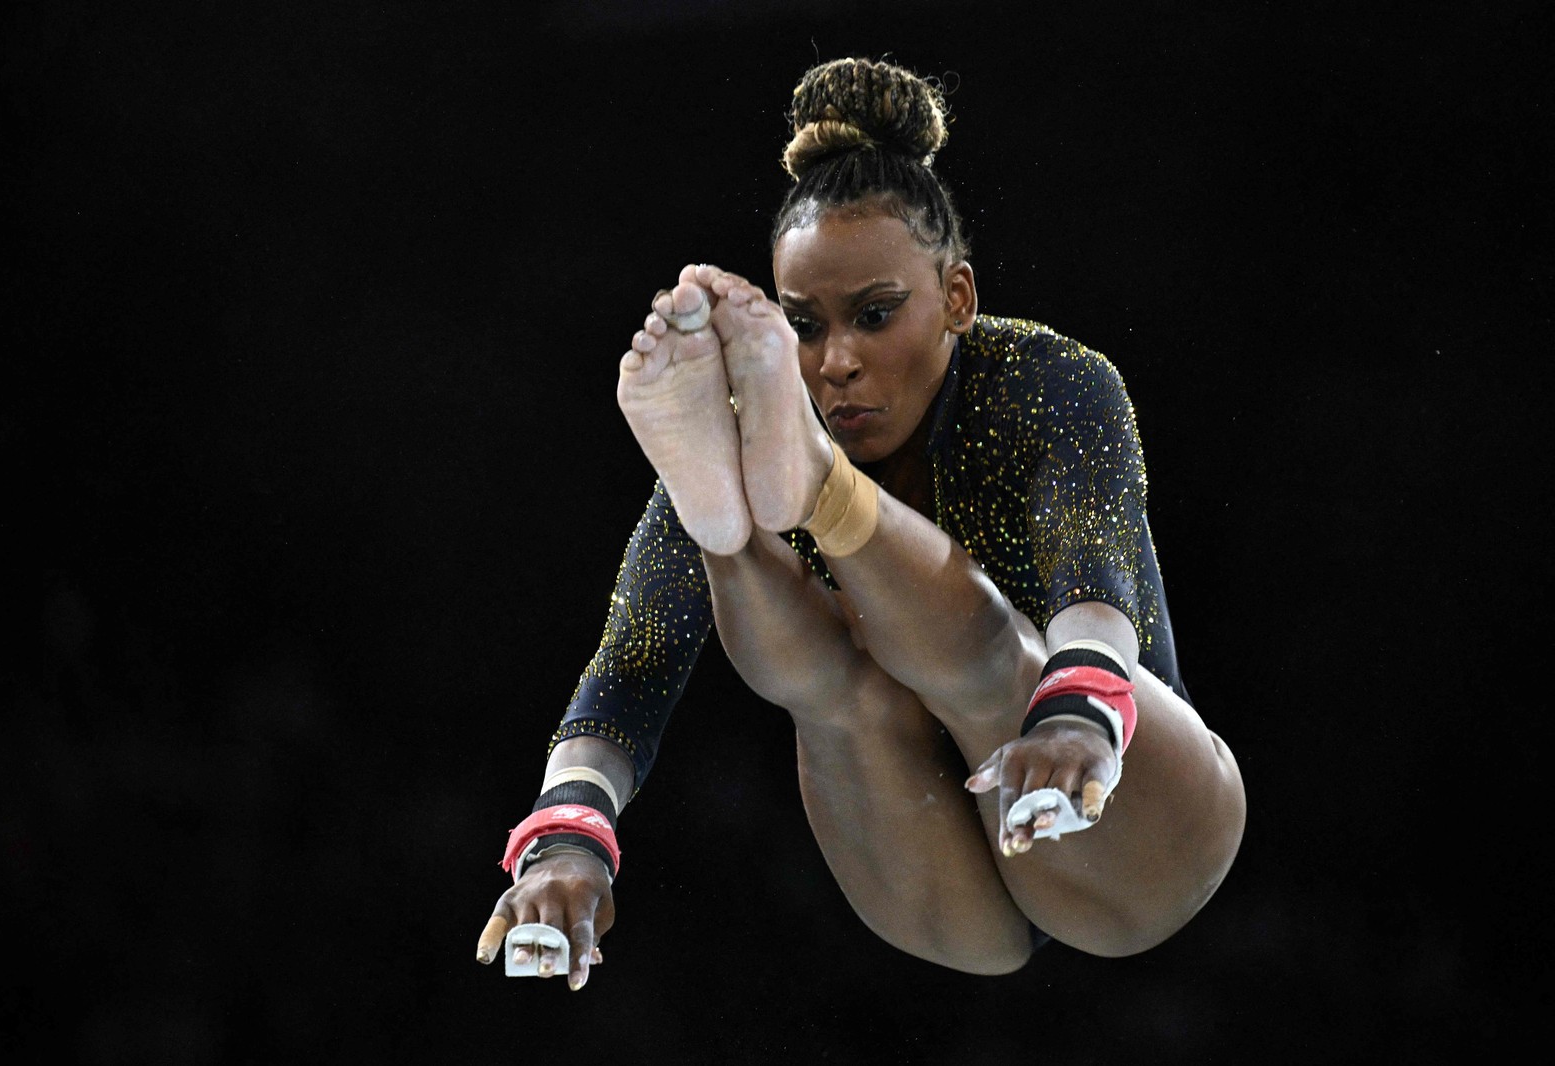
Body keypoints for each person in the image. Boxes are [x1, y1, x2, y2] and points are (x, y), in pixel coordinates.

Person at [477, 57, 1245, 990]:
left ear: (957, 298)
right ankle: (732, 534)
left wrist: (1077, 710)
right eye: (801, 325)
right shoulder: (751, 432)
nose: (834, 361)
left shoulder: (1048, 381)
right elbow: (627, 672)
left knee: (996, 661)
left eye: (875, 316)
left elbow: (1097, 568)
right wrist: (568, 840)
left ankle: (818, 503)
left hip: (1130, 818)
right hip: (938, 881)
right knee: (837, 688)